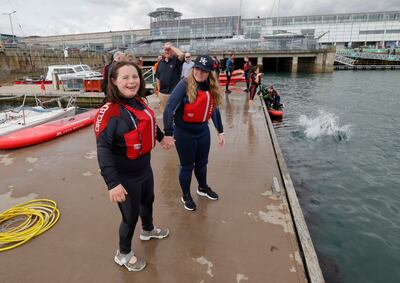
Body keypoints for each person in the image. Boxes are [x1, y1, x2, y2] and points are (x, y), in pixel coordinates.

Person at [94, 61, 170, 272]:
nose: (131, 82)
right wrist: (113, 184)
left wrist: (162, 138)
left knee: (148, 201)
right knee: (130, 216)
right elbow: (103, 150)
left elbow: (149, 124)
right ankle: (123, 253)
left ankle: (148, 230)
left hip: (144, 169)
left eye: (134, 77)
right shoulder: (109, 112)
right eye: (125, 78)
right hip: (125, 177)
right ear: (113, 81)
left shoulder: (139, 102)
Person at [163, 55, 225, 211]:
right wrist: (168, 133)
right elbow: (169, 108)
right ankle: (186, 195)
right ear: (193, 68)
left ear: (210, 72)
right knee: (187, 166)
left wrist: (220, 131)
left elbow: (214, 109)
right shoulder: (184, 84)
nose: (200, 73)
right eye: (197, 68)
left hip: (203, 131)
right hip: (184, 133)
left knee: (203, 163)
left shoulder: (211, 87)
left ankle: (202, 188)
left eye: (204, 70)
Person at [155, 42, 184, 113]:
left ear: (172, 50)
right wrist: (159, 91)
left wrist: (171, 47)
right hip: (163, 94)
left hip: (174, 93)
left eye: (169, 49)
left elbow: (181, 55)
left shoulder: (176, 60)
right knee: (164, 113)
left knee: (175, 113)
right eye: (165, 49)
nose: (167, 51)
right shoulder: (160, 63)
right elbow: (157, 78)